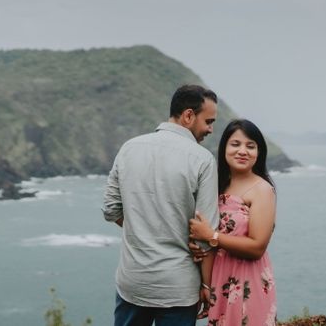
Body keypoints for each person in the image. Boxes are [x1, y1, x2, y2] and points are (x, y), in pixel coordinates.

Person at [103, 84, 220, 326]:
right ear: (188, 115)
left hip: (133, 281)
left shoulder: (129, 148)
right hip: (178, 287)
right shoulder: (203, 160)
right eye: (208, 121)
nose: (210, 129)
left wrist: (142, 227)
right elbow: (205, 236)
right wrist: (207, 286)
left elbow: (111, 209)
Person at [189, 119, 277, 326]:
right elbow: (203, 231)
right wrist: (197, 244)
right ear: (224, 148)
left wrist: (211, 236)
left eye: (250, 146)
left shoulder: (262, 190)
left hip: (248, 282)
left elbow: (257, 247)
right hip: (220, 280)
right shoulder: (215, 184)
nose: (243, 151)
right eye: (235, 144)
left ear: (259, 152)